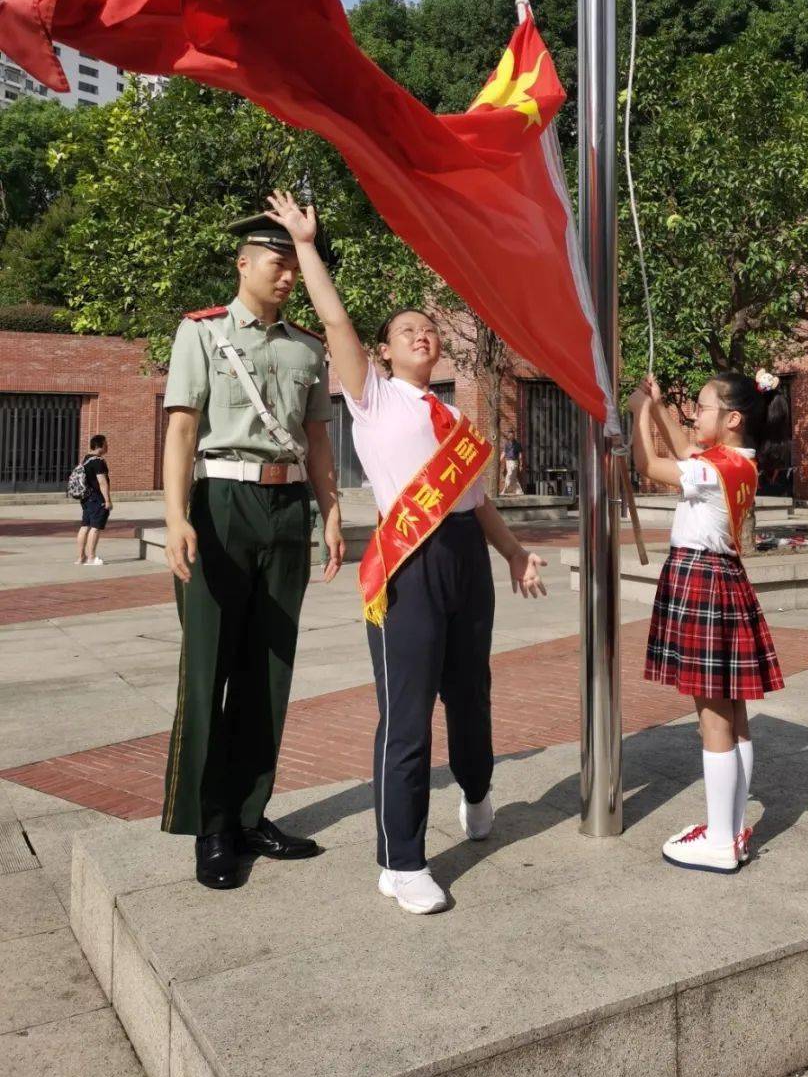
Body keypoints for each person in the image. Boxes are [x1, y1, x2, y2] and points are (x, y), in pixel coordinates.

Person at [263, 189, 547, 916]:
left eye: (429, 328)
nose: (423, 333)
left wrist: (514, 553)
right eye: (409, 329)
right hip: (408, 565)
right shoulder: (373, 396)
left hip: (465, 561)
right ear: (384, 351)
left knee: (473, 695)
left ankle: (478, 790)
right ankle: (402, 860)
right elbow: (332, 318)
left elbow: (475, 500)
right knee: (409, 712)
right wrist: (305, 245)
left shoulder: (452, 414)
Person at [160, 211, 345, 891]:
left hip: (286, 508)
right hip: (220, 506)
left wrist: (330, 511)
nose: (290, 274)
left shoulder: (305, 349)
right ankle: (210, 827)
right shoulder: (201, 332)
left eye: (295, 264)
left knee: (270, 671)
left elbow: (319, 440)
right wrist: (176, 516)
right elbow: (182, 432)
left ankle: (249, 813)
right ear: (244, 265)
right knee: (212, 668)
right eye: (279, 263)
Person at [628, 369, 787, 874]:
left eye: (702, 407)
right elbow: (684, 452)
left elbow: (651, 464)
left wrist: (636, 414)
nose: (695, 415)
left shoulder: (716, 469)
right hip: (723, 578)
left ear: (733, 418)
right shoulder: (735, 462)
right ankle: (731, 829)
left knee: (712, 713)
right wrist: (657, 408)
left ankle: (720, 841)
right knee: (733, 711)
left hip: (701, 579)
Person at [75, 434, 112, 565]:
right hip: (97, 498)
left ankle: (81, 558)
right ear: (99, 445)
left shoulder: (85, 459)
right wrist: (107, 500)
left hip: (86, 498)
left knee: (85, 526)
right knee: (95, 527)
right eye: (106, 443)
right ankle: (91, 557)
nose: (107, 446)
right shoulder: (98, 461)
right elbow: (102, 482)